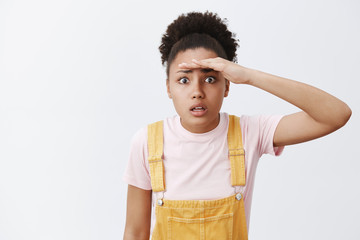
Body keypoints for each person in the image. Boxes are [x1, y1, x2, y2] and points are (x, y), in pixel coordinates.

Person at [122, 11, 351, 240]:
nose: (197, 92)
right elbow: (135, 232)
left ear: (227, 85)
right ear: (168, 88)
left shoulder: (249, 133)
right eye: (184, 80)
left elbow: (335, 115)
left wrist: (249, 76)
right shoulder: (147, 142)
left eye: (210, 78)